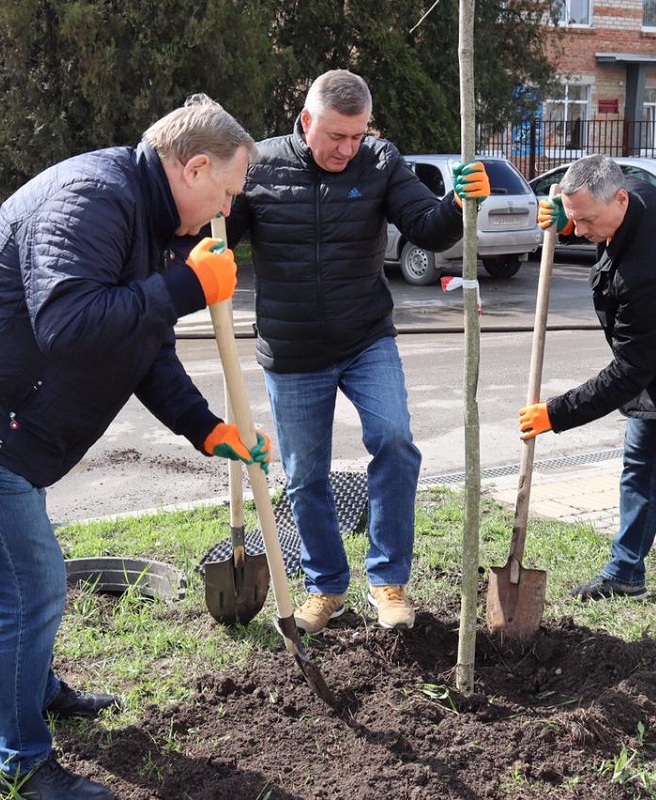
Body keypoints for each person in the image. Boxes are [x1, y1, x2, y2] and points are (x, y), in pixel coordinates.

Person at [0, 96, 270, 800]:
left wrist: (204, 426)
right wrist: (186, 286)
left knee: (32, 580)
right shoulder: (93, 198)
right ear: (196, 165)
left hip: (17, 421)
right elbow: (70, 323)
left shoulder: (157, 220)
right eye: (226, 193)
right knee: (28, 589)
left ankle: (38, 686)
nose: (227, 214)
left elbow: (143, 348)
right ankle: (22, 763)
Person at [216, 69, 489, 634]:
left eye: (357, 135)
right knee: (304, 474)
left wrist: (461, 203)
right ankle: (325, 587)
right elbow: (218, 231)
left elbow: (427, 227)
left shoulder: (380, 160)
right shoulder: (260, 164)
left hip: (366, 339)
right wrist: (204, 246)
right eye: (336, 136)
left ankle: (388, 580)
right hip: (291, 350)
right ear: (307, 120)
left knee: (395, 441)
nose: (347, 148)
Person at [523, 153, 656, 651]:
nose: (581, 226)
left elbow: (628, 371)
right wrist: (571, 224)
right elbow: (603, 228)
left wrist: (557, 413)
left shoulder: (647, 271)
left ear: (619, 199)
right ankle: (625, 572)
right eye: (575, 217)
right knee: (638, 467)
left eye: (587, 219)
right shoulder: (639, 199)